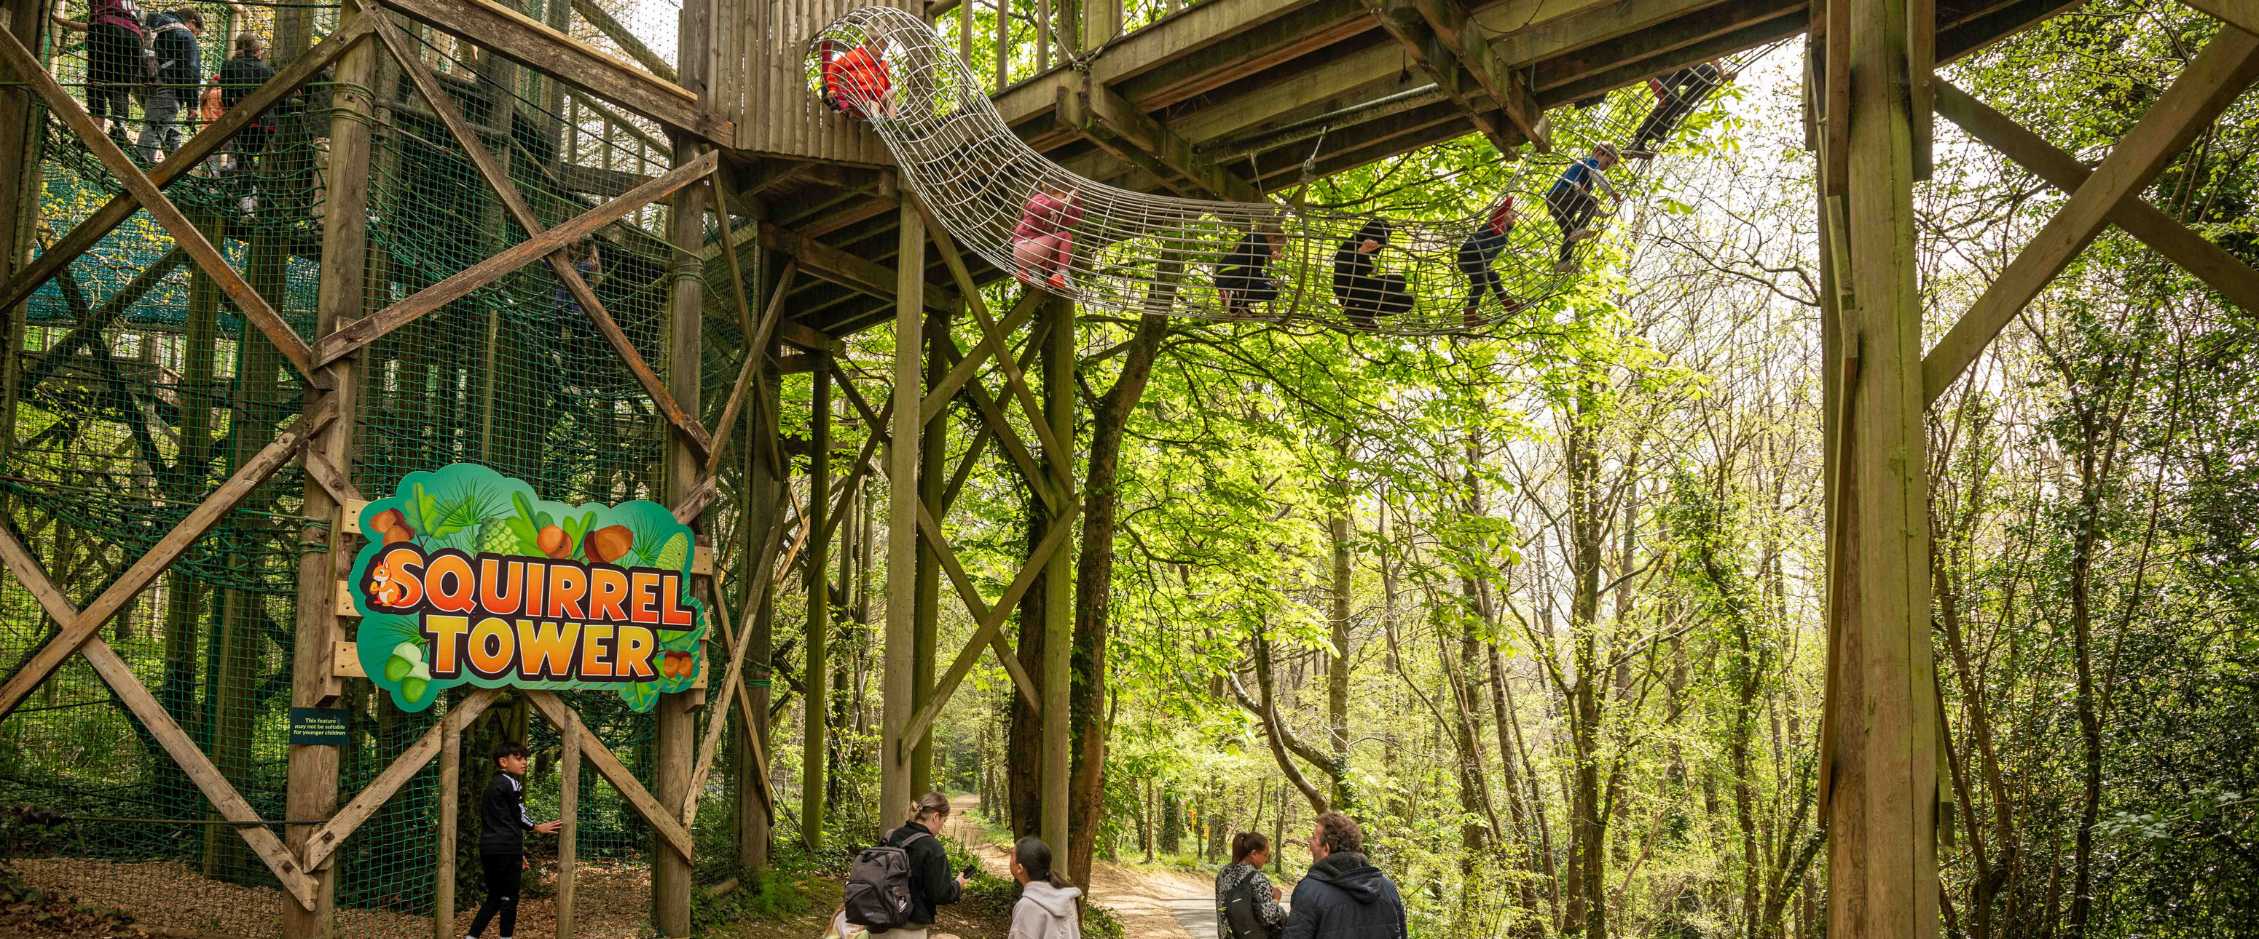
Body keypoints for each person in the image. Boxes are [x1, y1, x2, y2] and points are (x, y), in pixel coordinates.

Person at [466, 743, 563, 939]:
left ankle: (471, 937)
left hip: (490, 848)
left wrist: (518, 853)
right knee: (509, 898)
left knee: (494, 897)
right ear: (503, 762)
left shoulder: (491, 786)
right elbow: (519, 816)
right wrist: (537, 827)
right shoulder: (510, 783)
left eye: (526, 758)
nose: (525, 762)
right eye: (518, 758)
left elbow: (503, 820)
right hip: (506, 849)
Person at [1280, 812, 1407, 939]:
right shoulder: (1388, 888)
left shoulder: (1309, 891)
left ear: (1326, 848)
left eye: (1314, 838)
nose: (1309, 842)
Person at [871, 791, 966, 938]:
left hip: (879, 926)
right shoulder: (933, 848)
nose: (941, 827)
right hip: (908, 931)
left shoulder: (891, 835)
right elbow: (940, 894)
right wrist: (958, 885)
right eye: (943, 821)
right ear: (935, 816)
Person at [210, 33, 274, 213]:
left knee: (244, 159)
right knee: (252, 159)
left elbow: (226, 96)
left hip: (242, 122)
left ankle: (246, 201)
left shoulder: (229, 66)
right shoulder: (266, 69)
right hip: (267, 123)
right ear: (257, 51)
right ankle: (250, 195)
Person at [137, 8, 203, 165]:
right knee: (154, 130)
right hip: (167, 88)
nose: (194, 35)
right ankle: (140, 173)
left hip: (142, 82)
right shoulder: (185, 35)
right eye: (196, 32)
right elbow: (191, 71)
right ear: (192, 22)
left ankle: (177, 168)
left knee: (169, 128)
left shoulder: (151, 21)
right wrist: (193, 105)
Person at [1544, 143, 1619, 274]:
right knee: (1592, 201)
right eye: (1607, 163)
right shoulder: (1589, 163)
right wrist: (1611, 192)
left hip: (1556, 203)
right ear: (1599, 153)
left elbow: (1585, 202)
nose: (1606, 168)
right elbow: (1598, 177)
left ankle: (1563, 262)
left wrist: (1600, 213)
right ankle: (1580, 228)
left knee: (1570, 234)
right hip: (1562, 193)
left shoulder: (1587, 180)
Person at [1626, 60, 1725, 157]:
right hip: (1660, 63)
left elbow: (1710, 53)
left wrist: (1721, 72)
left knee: (1709, 73)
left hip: (1681, 64)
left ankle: (1672, 114)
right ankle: (1639, 141)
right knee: (1670, 99)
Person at [1332, 218, 1412, 330]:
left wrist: (1368, 264)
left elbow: (1364, 268)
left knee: (1407, 301)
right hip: (1348, 290)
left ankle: (1361, 313)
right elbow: (1340, 262)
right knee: (1399, 282)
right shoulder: (1354, 241)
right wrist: (1361, 252)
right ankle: (1360, 313)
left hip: (1361, 294)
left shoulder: (1368, 251)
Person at [84, 0, 144, 147]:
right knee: (121, 86)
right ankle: (120, 127)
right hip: (134, 37)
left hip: (106, 29)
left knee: (96, 82)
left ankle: (96, 129)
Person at [1456, 194, 1521, 328]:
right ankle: (1471, 314)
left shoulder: (1503, 236)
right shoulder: (1495, 223)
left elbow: (1490, 253)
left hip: (1478, 262)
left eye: (1515, 216)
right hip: (1471, 255)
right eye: (1511, 214)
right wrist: (1509, 199)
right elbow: (1501, 210)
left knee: (1487, 280)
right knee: (1482, 283)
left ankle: (1472, 315)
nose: (1514, 217)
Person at [1012, 179, 1080, 292]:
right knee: (1065, 236)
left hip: (1032, 255)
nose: (1067, 201)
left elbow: (1074, 218)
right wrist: (1064, 201)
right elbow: (1039, 208)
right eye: (1064, 195)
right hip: (1024, 246)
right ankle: (1063, 275)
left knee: (1060, 254)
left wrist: (1075, 199)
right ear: (1053, 191)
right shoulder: (1039, 198)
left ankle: (1032, 274)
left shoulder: (1056, 212)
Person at [1216, 832, 1288, 939]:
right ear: (1253, 854)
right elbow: (1269, 917)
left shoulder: (1223, 874)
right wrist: (1276, 899)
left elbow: (1221, 912)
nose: (1266, 860)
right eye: (1265, 855)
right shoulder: (1257, 878)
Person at [1008, 836, 1082, 939]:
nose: (1010, 859)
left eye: (1012, 855)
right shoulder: (1064, 896)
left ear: (1019, 868)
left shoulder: (1027, 906)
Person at [1216, 222, 1285, 319]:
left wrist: (1269, 282)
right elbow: (1256, 245)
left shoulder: (1259, 252)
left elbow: (1256, 273)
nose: (1279, 250)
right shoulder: (1254, 238)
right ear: (1272, 237)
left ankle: (1237, 302)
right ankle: (1233, 295)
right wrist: (1270, 252)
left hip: (1236, 278)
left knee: (1271, 292)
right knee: (1268, 290)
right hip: (1232, 274)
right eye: (1279, 247)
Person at [823, 41, 894, 118]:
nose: (881, 52)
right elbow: (833, 68)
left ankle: (892, 121)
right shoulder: (855, 56)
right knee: (873, 104)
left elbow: (887, 87)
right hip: (859, 100)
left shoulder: (883, 66)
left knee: (890, 92)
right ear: (868, 44)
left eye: (883, 50)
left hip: (877, 101)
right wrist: (833, 88)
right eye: (877, 48)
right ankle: (878, 122)